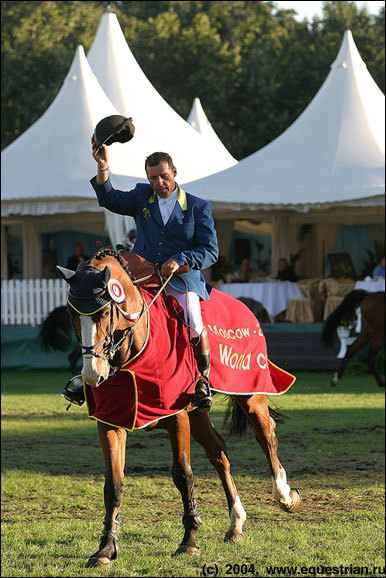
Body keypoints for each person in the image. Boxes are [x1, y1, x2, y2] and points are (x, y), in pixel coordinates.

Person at [89, 142, 218, 411]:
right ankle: (91, 373)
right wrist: (103, 168)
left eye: (163, 176)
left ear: (174, 172)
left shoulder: (198, 207)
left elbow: (210, 251)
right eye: (153, 178)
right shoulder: (141, 196)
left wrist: (181, 259)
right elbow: (109, 199)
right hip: (141, 276)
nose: (158, 183)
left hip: (181, 280)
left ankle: (202, 380)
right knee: (108, 311)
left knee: (193, 321)